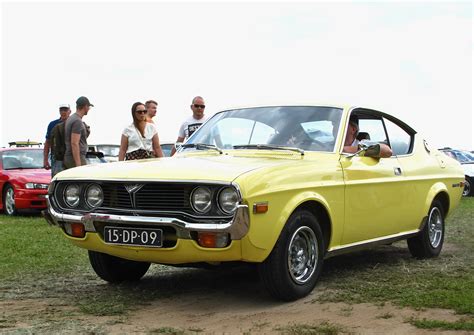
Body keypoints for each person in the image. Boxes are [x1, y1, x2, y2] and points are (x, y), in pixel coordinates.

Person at [63, 96, 94, 169]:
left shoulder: (71, 118)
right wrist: (78, 164)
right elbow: (74, 143)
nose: (89, 109)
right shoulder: (77, 121)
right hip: (76, 157)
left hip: (70, 156)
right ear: (85, 106)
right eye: (89, 107)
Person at [43, 104, 71, 176]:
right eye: (61, 110)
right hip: (57, 157)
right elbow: (47, 142)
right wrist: (45, 160)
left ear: (69, 111)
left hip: (71, 156)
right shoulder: (52, 124)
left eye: (65, 110)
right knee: (57, 179)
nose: (63, 112)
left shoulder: (74, 123)